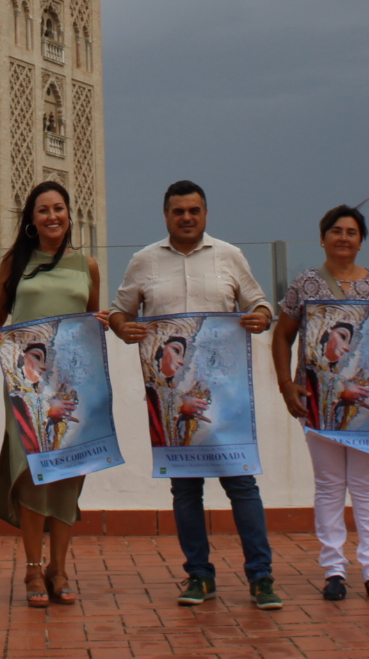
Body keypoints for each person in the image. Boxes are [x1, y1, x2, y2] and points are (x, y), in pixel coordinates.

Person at [110, 179, 282, 611]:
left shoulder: (229, 256)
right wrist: (120, 326)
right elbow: (120, 311)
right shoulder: (143, 261)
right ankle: (199, 576)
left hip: (224, 399)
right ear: (166, 215)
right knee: (185, 491)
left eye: (194, 211)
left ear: (205, 214)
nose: (187, 218)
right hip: (170, 402)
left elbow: (260, 303)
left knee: (242, 484)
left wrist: (260, 317)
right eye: (178, 211)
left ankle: (261, 578)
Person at [0, 180, 107, 608]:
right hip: (27, 384)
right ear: (31, 221)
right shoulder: (16, 262)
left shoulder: (86, 266)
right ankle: (33, 570)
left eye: (59, 209)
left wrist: (102, 322)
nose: (52, 216)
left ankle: (59, 567)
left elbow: (89, 320)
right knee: (31, 471)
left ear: (70, 214)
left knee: (69, 472)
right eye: (43, 210)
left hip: (74, 384)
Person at [270, 203, 369, 603]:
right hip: (318, 401)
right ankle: (334, 570)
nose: (344, 238)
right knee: (328, 486)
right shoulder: (306, 284)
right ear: (323, 238)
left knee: (365, 487)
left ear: (361, 241)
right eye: (336, 231)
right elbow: (282, 336)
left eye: (352, 232)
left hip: (365, 405)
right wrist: (286, 385)